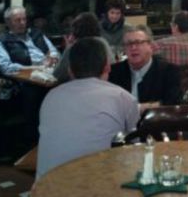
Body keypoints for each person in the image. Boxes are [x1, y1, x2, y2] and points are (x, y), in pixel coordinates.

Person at [36, 37, 139, 179]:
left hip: (44, 185)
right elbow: (135, 144)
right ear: (107, 67)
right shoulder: (122, 97)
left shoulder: (50, 96)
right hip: (99, 184)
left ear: (70, 70)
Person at [109, 26, 181, 112]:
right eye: (128, 44)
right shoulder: (113, 71)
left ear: (151, 46)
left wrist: (139, 108)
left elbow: (172, 104)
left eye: (138, 42)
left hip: (155, 120)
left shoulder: (169, 71)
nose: (133, 47)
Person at [0, 6, 60, 75]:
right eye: (18, 20)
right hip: (28, 75)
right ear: (8, 22)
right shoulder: (1, 41)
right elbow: (6, 68)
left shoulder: (36, 33)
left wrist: (53, 58)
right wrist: (35, 68)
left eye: (24, 19)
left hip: (49, 69)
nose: (22, 23)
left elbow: (53, 51)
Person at [53, 12, 110, 83]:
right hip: (105, 84)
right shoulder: (103, 41)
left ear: (76, 29)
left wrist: (68, 47)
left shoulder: (76, 46)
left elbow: (57, 75)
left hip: (79, 86)